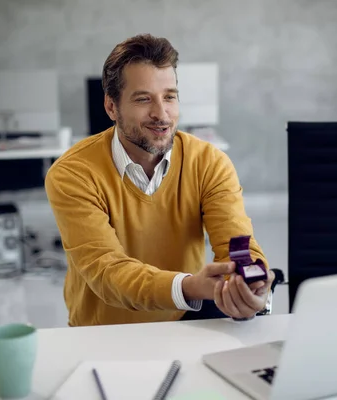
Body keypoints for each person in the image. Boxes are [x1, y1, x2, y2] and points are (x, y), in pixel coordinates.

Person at [45, 34, 274, 326]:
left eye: (169, 96)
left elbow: (237, 244)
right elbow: (108, 273)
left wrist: (252, 282)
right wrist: (191, 286)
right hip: (104, 333)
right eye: (143, 99)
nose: (161, 114)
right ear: (111, 107)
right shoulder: (73, 173)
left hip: (183, 321)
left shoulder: (209, 163)